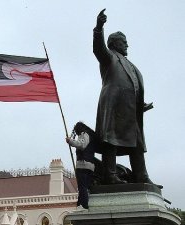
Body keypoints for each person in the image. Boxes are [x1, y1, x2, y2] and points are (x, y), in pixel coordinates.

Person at [93, 9, 156, 185]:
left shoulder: (130, 64)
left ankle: (141, 175)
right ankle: (110, 174)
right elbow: (98, 48)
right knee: (111, 139)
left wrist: (139, 104)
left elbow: (133, 85)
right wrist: (99, 28)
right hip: (113, 105)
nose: (127, 45)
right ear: (114, 44)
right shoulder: (109, 57)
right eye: (124, 42)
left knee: (136, 142)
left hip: (130, 109)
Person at [66, 122, 96, 211]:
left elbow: (81, 145)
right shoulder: (88, 135)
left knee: (82, 186)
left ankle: (84, 205)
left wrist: (70, 141)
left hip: (83, 165)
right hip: (89, 165)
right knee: (83, 186)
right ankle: (79, 204)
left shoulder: (84, 134)